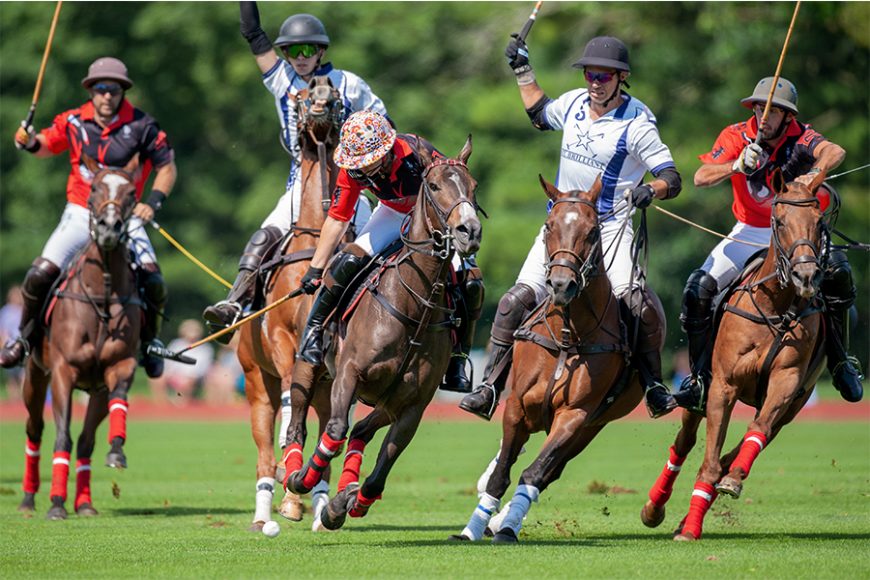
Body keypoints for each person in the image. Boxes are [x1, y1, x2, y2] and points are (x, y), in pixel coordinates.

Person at [460, 35, 683, 421]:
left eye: (604, 75)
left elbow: (672, 177)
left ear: (621, 77)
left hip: (609, 229)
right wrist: (521, 69)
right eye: (590, 74)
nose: (595, 82)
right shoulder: (575, 104)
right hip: (561, 229)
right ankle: (489, 387)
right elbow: (539, 113)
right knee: (514, 301)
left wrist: (651, 189)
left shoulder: (637, 123)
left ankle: (653, 386)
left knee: (636, 301)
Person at [203, 1, 388, 340]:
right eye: (292, 51)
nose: (300, 57)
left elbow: (384, 124)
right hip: (300, 185)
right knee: (264, 237)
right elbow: (253, 34)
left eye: (307, 50)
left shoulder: (350, 83)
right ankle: (237, 304)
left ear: (320, 51)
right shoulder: (282, 80)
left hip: (351, 184)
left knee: (373, 246)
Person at [679, 76, 862, 405]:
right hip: (749, 229)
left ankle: (839, 360)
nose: (764, 117)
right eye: (759, 108)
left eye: (773, 111)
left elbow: (836, 151)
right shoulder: (737, 134)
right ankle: (698, 377)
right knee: (698, 289)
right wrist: (735, 165)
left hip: (798, 232)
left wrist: (813, 172)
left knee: (839, 274)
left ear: (788, 116)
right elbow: (700, 177)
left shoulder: (802, 136)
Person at [0, 57, 176, 378]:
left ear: (123, 92)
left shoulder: (142, 126)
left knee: (154, 278)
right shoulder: (73, 121)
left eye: (114, 89)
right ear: (91, 90)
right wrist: (26, 141)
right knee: (40, 273)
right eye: (101, 88)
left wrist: (152, 202)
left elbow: (166, 167)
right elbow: (45, 145)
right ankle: (23, 339)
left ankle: (150, 343)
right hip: (82, 212)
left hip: (125, 216)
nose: (107, 95)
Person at [295, 110, 484, 393]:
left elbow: (455, 182)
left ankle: (458, 358)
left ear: (387, 149)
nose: (366, 170)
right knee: (347, 260)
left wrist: (459, 223)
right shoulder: (353, 170)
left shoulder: (417, 152)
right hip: (392, 213)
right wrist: (315, 268)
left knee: (469, 282)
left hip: (433, 220)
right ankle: (313, 333)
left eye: (371, 162)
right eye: (360, 163)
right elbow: (337, 218)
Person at [149, 319, 214, 404]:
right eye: (189, 330)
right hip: (175, 374)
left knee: (188, 381)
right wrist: (169, 374)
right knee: (157, 377)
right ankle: (162, 404)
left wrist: (189, 376)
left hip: (194, 377)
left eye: (194, 330)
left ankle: (183, 405)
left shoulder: (205, 348)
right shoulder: (176, 344)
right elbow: (168, 362)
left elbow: (202, 368)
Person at [0, 286, 24, 399]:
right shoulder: (6, 311)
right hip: (9, 346)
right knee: (12, 377)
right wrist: (3, 347)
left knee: (23, 375)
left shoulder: (23, 310)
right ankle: (14, 402)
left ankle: (23, 400)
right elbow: (3, 330)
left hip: (22, 347)